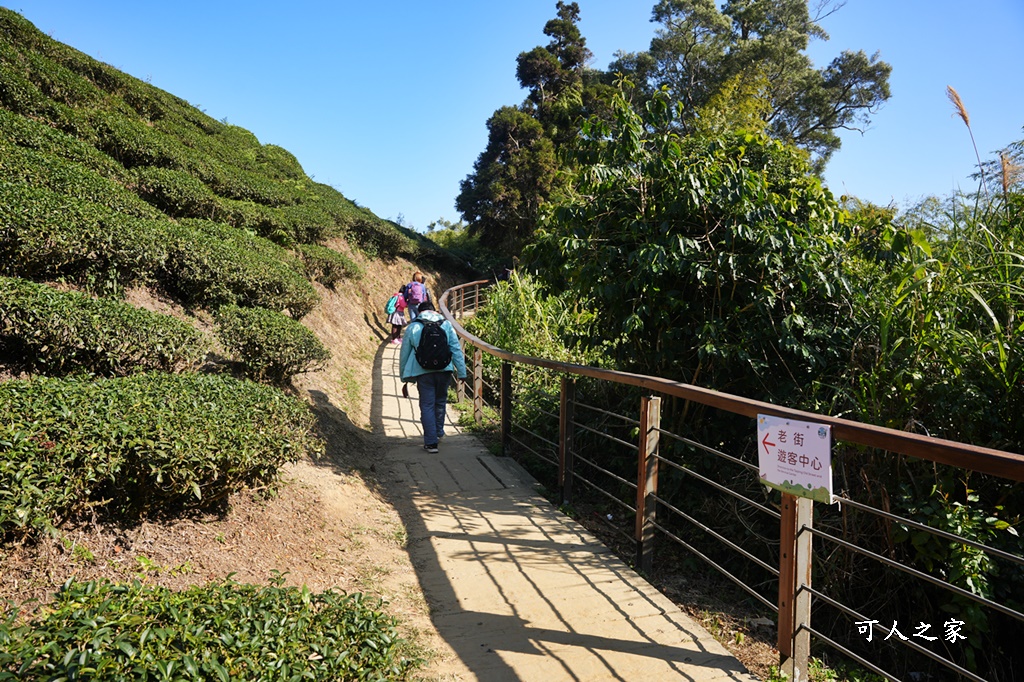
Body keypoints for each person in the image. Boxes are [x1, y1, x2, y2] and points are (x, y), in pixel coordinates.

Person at [399, 300, 466, 453]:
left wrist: (404, 377)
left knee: (427, 405)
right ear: (435, 311)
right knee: (440, 402)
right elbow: (455, 349)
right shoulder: (446, 325)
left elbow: (404, 354)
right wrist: (461, 372)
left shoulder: (414, 326)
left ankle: (431, 443)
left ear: (420, 312)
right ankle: (438, 432)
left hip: (423, 371)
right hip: (445, 369)